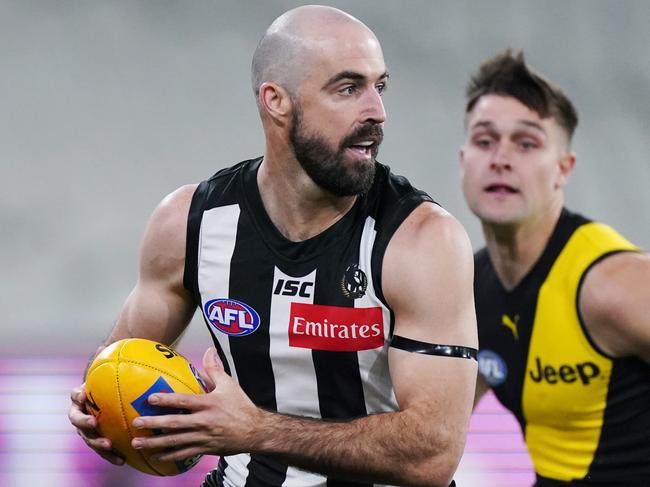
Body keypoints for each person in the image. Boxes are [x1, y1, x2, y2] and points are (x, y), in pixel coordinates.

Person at [68, 6, 478, 487]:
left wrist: (256, 431)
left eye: (379, 86)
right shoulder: (188, 224)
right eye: (348, 88)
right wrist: (99, 408)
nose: (377, 112)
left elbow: (433, 454)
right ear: (276, 101)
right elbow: (120, 363)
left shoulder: (422, 240)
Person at [460, 49, 650, 486]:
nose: (501, 158)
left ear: (563, 169)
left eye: (527, 143)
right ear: (464, 160)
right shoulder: (469, 290)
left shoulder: (612, 286)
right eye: (485, 141)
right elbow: (430, 436)